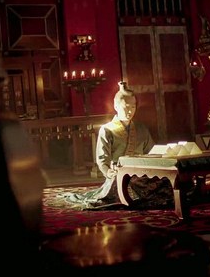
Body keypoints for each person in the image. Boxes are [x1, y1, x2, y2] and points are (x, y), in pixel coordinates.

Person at [63, 81, 175, 209]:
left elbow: (151, 152)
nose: (130, 111)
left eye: (133, 107)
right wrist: (108, 172)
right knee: (116, 188)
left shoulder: (141, 128)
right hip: (119, 173)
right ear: (116, 106)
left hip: (140, 173)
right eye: (126, 107)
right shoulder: (107, 130)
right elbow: (102, 159)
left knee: (167, 182)